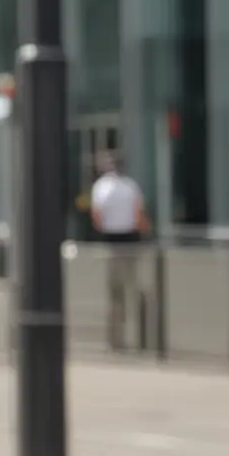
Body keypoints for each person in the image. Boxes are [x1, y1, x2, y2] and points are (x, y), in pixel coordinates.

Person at [91, 151, 150, 352]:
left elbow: (97, 216)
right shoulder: (131, 186)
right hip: (130, 238)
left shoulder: (101, 187)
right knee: (134, 284)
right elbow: (139, 214)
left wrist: (104, 226)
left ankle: (116, 337)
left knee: (115, 290)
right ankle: (142, 334)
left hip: (112, 239)